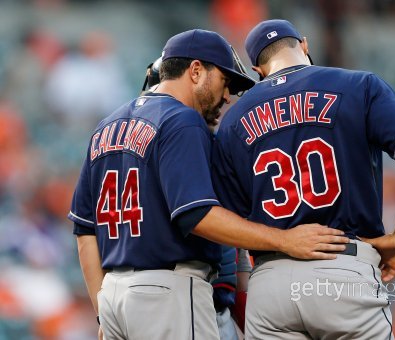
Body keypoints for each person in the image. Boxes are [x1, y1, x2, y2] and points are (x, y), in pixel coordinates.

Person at [68, 29, 349, 340]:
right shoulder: (182, 120)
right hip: (168, 293)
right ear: (196, 71)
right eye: (225, 82)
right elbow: (197, 215)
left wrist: (102, 310)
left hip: (115, 297)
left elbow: (85, 233)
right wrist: (285, 240)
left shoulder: (106, 127)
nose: (227, 96)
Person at [211, 19, 395, 339]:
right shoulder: (358, 85)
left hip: (270, 285)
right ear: (304, 45)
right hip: (342, 265)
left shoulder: (233, 119)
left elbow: (226, 220)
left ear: (257, 69)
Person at [141, 55, 251, 340]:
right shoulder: (181, 142)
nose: (226, 99)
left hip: (185, 304)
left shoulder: (201, 144)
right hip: (186, 304)